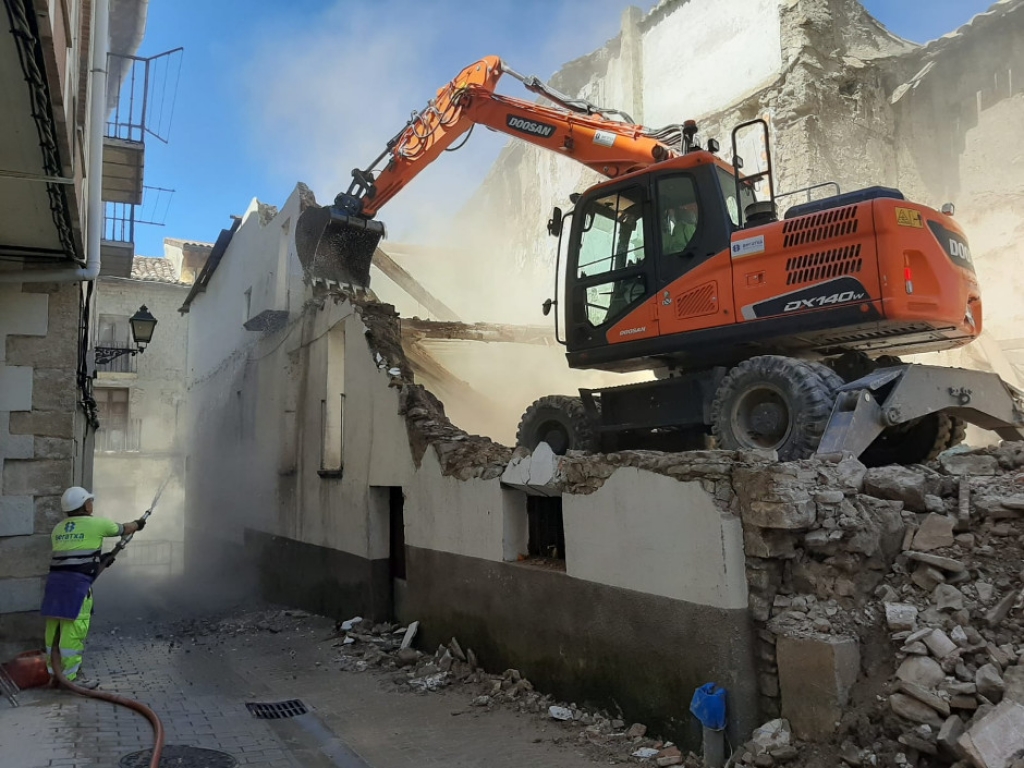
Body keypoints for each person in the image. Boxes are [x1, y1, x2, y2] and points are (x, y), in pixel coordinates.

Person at [41, 486, 146, 688]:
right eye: (90, 501)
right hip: (77, 589)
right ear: (84, 505)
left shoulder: (58, 529)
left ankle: (53, 674)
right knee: (73, 633)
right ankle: (71, 679)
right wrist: (138, 523)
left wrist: (100, 561)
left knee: (53, 631)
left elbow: (73, 558)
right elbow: (124, 529)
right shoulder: (97, 524)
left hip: (54, 586)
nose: (92, 504)